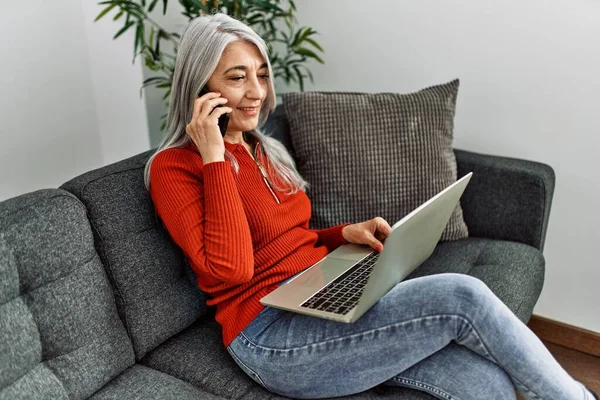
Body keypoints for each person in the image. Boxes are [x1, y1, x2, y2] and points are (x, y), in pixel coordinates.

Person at [145, 13, 597, 400]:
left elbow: (283, 237)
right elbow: (235, 268)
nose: (257, 91)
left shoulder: (261, 147)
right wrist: (214, 157)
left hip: (317, 295)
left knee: (485, 384)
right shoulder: (176, 167)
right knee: (464, 296)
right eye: (237, 76)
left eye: (261, 74)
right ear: (201, 85)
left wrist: (340, 235)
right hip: (269, 337)